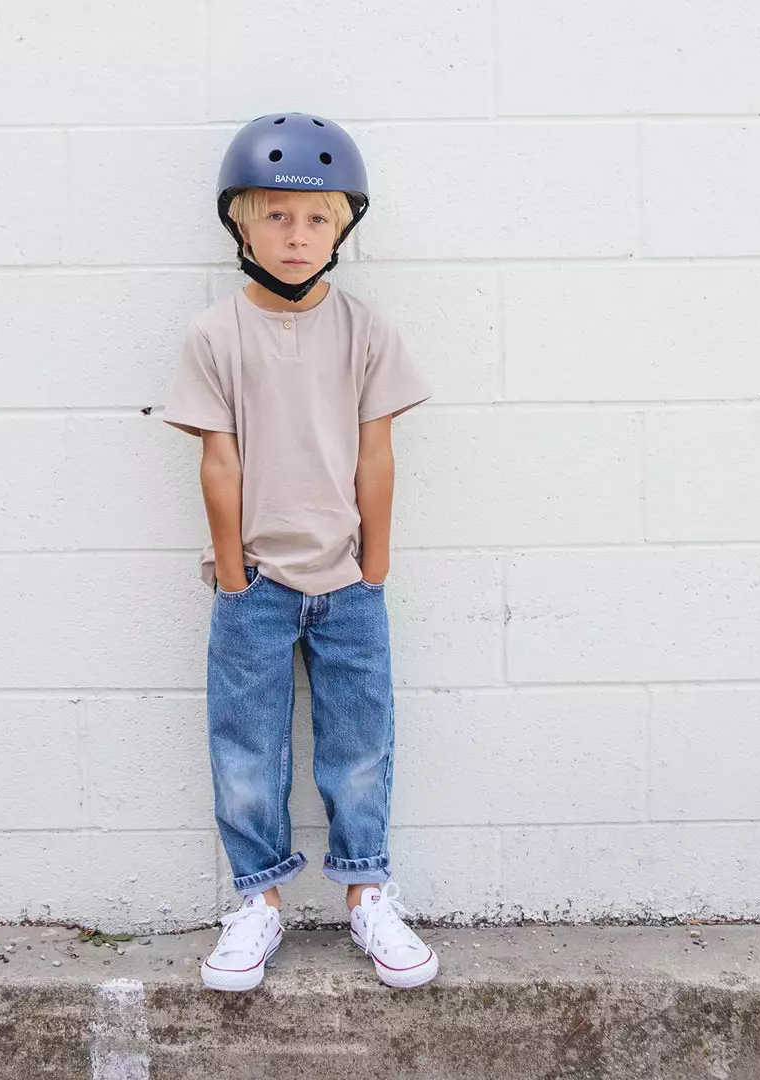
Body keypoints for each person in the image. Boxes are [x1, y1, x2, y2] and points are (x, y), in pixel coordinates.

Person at [161, 112, 437, 992]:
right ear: (239, 223)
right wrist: (235, 577)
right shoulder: (216, 335)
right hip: (257, 586)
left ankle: (367, 895)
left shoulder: (366, 331)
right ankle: (258, 906)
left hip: (350, 581)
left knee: (358, 746)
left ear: (344, 226)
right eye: (276, 215)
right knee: (247, 750)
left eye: (316, 218)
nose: (296, 234)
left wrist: (376, 569)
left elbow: (378, 452)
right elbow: (219, 460)